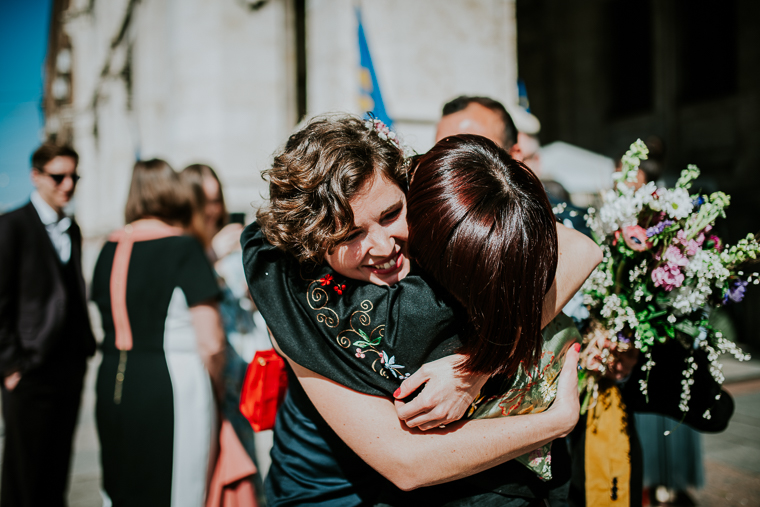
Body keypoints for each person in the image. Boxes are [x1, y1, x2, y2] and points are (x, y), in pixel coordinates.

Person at [243, 114, 602, 505]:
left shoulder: (433, 238)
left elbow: (580, 249)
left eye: (391, 214)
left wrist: (475, 367)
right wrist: (555, 421)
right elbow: (407, 462)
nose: (382, 246)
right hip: (329, 495)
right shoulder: (296, 301)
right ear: (313, 239)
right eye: (350, 234)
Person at [91, 159, 225, 506]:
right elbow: (210, 342)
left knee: (121, 489)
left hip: (113, 380)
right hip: (174, 384)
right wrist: (220, 389)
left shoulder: (108, 248)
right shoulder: (182, 248)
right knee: (179, 491)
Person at [0, 143, 97, 507]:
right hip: (28, 371)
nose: (68, 185)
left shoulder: (72, 229)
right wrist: (10, 366)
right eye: (59, 176)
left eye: (74, 176)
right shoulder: (11, 226)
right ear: (36, 176)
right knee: (24, 477)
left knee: (57, 473)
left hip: (68, 368)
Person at [435, 95, 589, 236]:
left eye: (473, 152)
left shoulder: (566, 225)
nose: (452, 163)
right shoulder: (427, 223)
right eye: (439, 152)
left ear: (514, 156)